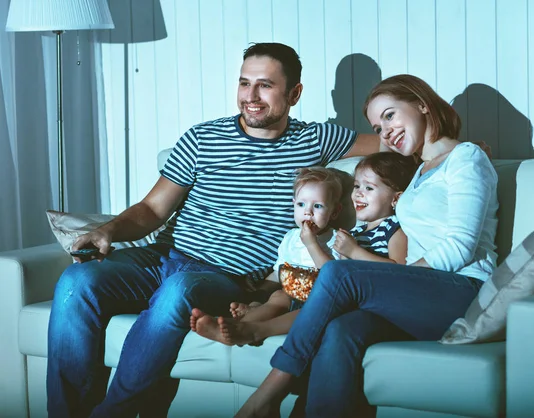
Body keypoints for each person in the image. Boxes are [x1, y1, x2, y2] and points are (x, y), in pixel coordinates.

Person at [46, 42, 382, 418]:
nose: (250, 97)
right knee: (77, 280)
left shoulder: (315, 139)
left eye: (265, 86)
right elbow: (153, 209)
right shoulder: (202, 138)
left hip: (225, 278)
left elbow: (396, 140)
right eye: (244, 83)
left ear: (294, 94)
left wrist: (434, 132)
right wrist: (109, 231)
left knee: (178, 290)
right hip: (163, 258)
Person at [236, 74, 499, 418]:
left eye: (390, 115)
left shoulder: (466, 157)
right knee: (341, 329)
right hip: (419, 297)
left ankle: (264, 397)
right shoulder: (417, 173)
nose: (385, 131)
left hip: (464, 290)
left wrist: (400, 276)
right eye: (377, 127)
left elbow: (461, 247)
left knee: (339, 274)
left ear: (422, 103)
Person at [190, 152, 416, 346]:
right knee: (279, 295)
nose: (358, 193)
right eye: (357, 186)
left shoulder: (387, 231)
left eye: (368, 187)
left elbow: (397, 272)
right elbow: (280, 271)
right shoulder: (354, 233)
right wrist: (257, 293)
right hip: (300, 290)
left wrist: (352, 251)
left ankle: (252, 330)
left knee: (307, 304)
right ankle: (235, 325)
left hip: (335, 295)